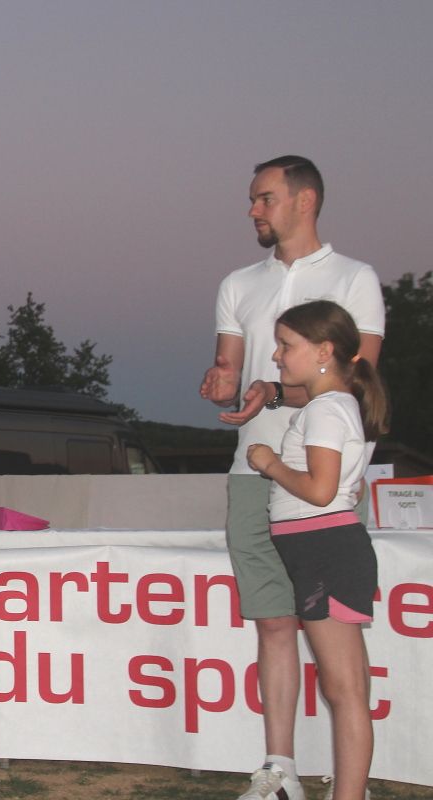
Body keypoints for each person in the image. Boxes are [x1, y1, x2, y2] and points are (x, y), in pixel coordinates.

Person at [199, 156, 384, 800]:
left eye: (265, 198)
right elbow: (230, 372)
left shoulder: (355, 278)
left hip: (319, 484)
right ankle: (279, 772)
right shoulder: (237, 283)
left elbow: (355, 380)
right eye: (252, 199)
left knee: (336, 653)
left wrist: (274, 394)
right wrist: (222, 383)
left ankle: (350, 784)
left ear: (305, 200)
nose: (253, 209)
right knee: (273, 622)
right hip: (251, 473)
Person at [247, 300, 386, 800]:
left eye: (286, 345)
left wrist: (270, 464)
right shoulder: (331, 407)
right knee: (344, 686)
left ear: (324, 351)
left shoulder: (327, 409)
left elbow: (322, 490)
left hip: (326, 551)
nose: (277, 356)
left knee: (344, 688)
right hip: (321, 551)